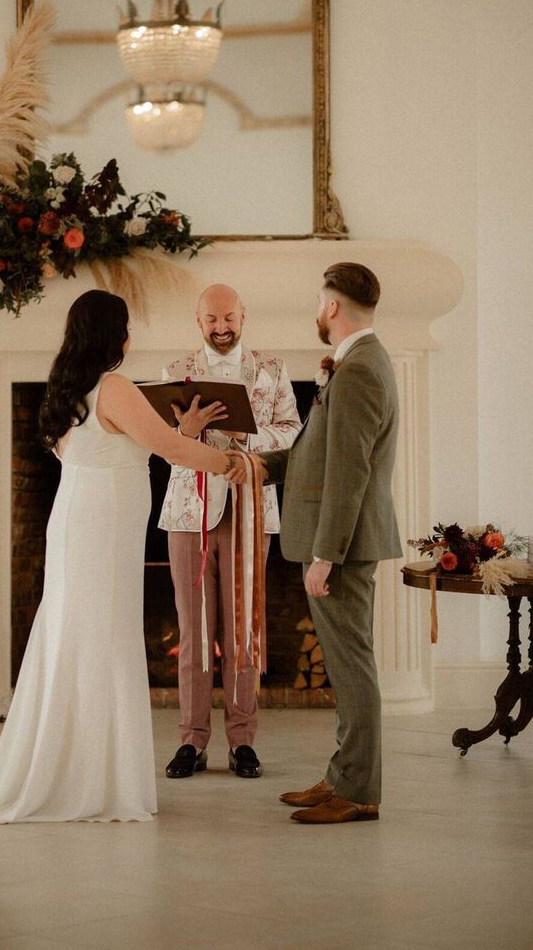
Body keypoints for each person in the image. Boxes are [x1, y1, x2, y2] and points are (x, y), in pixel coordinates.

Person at [0, 290, 234, 825]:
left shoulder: (68, 390)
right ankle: (96, 779)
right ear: (114, 335)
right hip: (103, 525)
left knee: (77, 636)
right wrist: (233, 464)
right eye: (126, 327)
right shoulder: (115, 386)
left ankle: (75, 769)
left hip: (79, 520)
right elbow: (169, 449)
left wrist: (185, 435)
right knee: (103, 638)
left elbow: (134, 445)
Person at [230, 262, 401, 824]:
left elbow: (349, 473)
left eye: (317, 302)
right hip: (343, 541)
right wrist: (258, 465)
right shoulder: (358, 362)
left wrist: (326, 555)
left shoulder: (359, 370)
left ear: (332, 306)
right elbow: (317, 454)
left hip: (343, 548)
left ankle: (358, 791)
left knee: (352, 669)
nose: (316, 311)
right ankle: (342, 776)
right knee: (348, 667)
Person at [160, 284, 301, 781]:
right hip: (189, 516)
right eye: (211, 319)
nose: (221, 327)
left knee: (243, 632)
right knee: (193, 632)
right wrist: (185, 432)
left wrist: (247, 436)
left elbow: (293, 432)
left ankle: (242, 741)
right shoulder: (175, 372)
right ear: (197, 321)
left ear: (243, 315)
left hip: (249, 512)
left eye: (228, 318)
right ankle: (191, 740)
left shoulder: (273, 370)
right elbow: (162, 445)